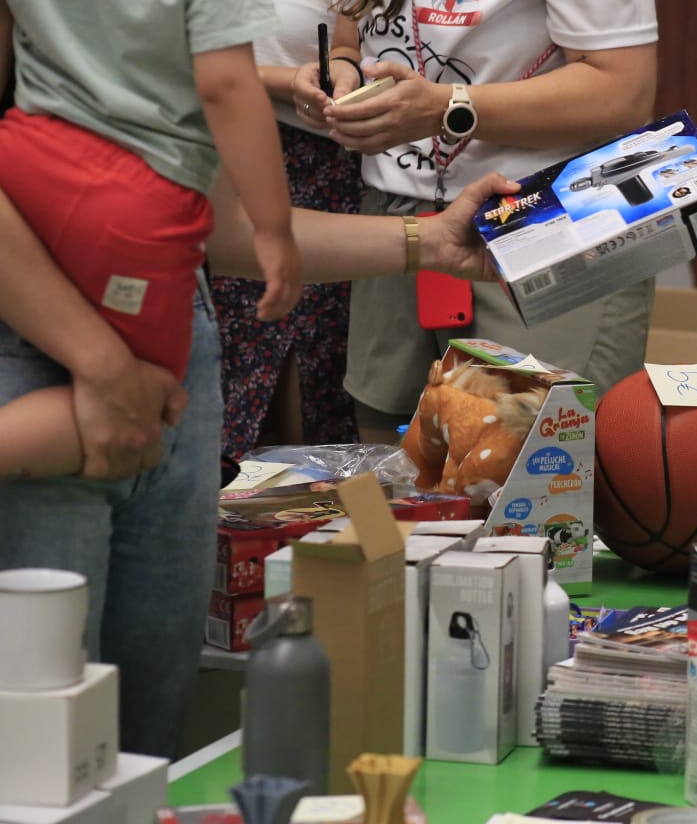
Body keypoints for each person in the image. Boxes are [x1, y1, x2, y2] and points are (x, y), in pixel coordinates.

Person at [0, 170, 517, 759]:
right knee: (39, 746)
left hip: (173, 333)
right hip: (41, 334)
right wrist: (102, 364)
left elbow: (222, 226)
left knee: (147, 736)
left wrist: (431, 241)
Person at [292, 0, 659, 440]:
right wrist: (342, 74)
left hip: (545, 211)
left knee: (526, 476)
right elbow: (352, 35)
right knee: (392, 470)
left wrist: (446, 107)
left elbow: (623, 92)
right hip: (396, 212)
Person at [0, 0, 302, 481]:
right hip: (134, 205)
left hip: (22, 158)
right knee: (153, 398)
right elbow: (226, 85)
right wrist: (273, 228)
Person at [212, 0, 362, 460]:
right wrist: (273, 79)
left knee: (312, 382)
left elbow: (368, 49)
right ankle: (226, 543)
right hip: (205, 161)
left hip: (314, 167)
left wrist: (334, 79)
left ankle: (313, 540)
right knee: (220, 392)